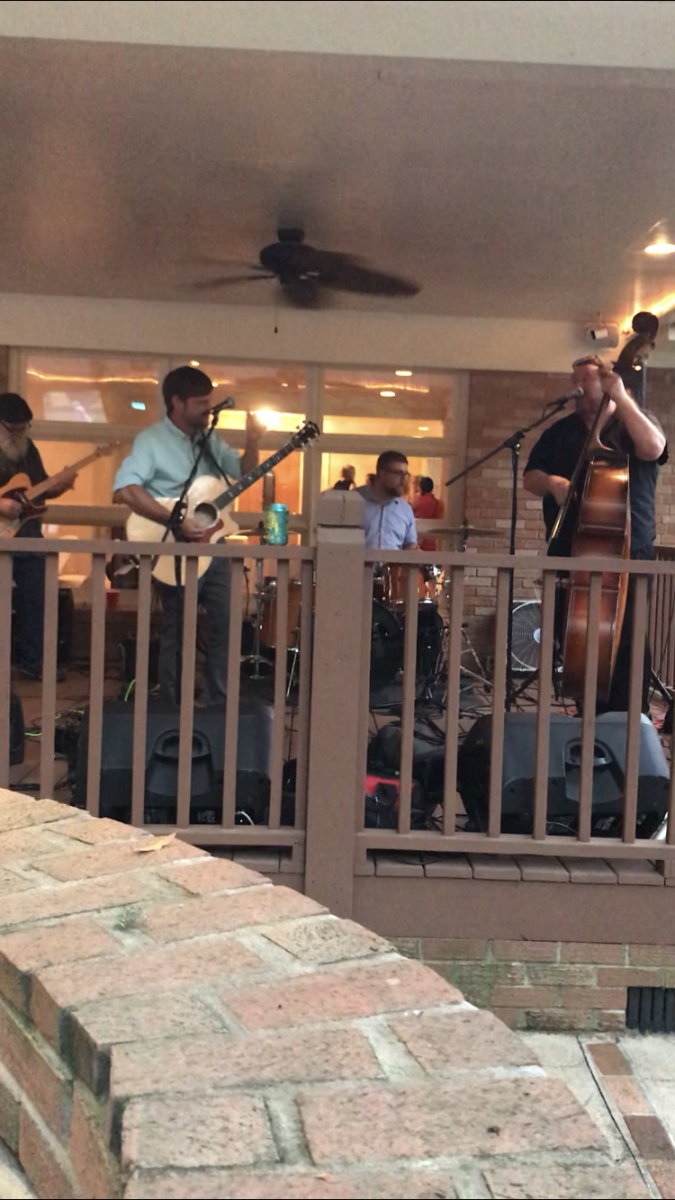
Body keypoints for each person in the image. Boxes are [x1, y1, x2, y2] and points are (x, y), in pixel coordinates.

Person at [523, 354, 668, 711]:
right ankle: (586, 709)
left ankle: (631, 717)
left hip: (628, 549)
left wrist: (622, 398)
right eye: (575, 380)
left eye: (586, 379)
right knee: (575, 633)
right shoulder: (560, 431)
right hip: (571, 547)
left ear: (607, 381)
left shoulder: (633, 421)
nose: (578, 386)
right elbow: (531, 477)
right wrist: (552, 482)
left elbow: (654, 448)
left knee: (628, 635)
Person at [114, 365, 263, 705]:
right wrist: (176, 520)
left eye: (209, 401)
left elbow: (245, 471)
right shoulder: (151, 441)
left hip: (214, 544)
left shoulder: (208, 439)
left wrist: (253, 441)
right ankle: (174, 704)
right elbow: (125, 489)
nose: (208, 409)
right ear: (177, 402)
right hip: (174, 548)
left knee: (227, 625)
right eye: (201, 403)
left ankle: (218, 702)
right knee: (178, 629)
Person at [0, 393, 78, 679]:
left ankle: (34, 660)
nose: (19, 435)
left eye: (23, 428)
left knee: (37, 597)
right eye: (13, 429)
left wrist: (61, 484)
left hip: (27, 534)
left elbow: (38, 490)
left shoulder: (28, 449)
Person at [356, 451, 418, 550]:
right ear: (381, 473)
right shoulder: (353, 501)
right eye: (398, 474)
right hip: (355, 560)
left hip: (394, 560)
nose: (403, 480)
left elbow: (410, 545)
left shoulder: (405, 509)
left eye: (406, 475)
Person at [413, 477, 443, 552]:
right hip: (431, 541)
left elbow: (419, 519)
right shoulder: (436, 502)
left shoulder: (419, 501)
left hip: (420, 541)